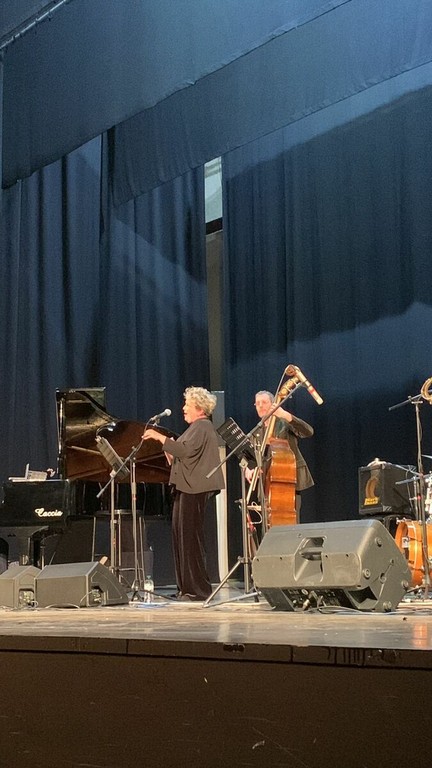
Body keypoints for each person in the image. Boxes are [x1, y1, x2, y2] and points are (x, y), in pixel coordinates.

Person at [143, 386, 224, 601]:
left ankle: (197, 590)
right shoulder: (195, 428)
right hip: (186, 487)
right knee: (181, 538)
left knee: (190, 541)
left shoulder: (202, 426)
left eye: (187, 404)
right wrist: (171, 453)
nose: (183, 408)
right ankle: (185, 588)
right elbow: (185, 453)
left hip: (195, 489)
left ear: (199, 408)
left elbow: (185, 451)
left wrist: (160, 438)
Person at [247, 390, 314, 513]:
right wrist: (248, 469)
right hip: (267, 486)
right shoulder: (256, 432)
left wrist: (285, 415)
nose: (260, 406)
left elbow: (308, 431)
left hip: (287, 481)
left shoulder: (284, 423)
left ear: (273, 404)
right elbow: (251, 458)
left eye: (264, 402)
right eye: (257, 403)